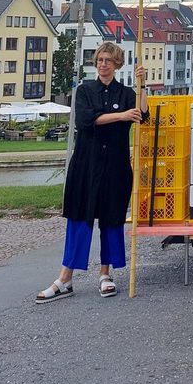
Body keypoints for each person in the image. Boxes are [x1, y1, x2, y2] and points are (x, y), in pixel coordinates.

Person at [36, 42, 148, 303]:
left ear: (117, 64)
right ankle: (65, 278)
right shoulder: (85, 90)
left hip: (115, 167)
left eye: (108, 60)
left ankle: (106, 275)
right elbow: (86, 120)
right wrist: (120, 116)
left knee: (111, 220)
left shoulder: (126, 92)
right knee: (78, 218)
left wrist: (144, 86)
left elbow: (142, 115)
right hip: (86, 165)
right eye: (100, 60)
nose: (103, 64)